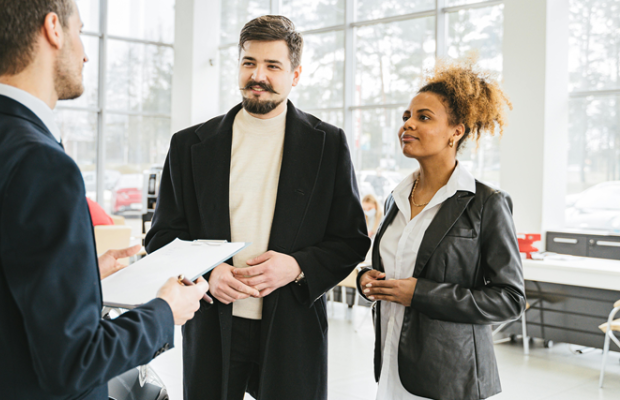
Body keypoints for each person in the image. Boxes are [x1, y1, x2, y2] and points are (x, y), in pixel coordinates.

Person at [0, 1, 208, 399]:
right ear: (54, 29)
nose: (85, 52)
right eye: (81, 31)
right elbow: (75, 362)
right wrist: (165, 311)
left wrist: (80, 277)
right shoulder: (43, 164)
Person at [145, 15, 370, 400]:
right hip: (213, 325)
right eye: (249, 62)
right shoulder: (188, 146)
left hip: (292, 330)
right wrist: (207, 272)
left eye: (272, 66)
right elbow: (162, 235)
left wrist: (297, 267)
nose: (258, 76)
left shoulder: (328, 144)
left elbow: (350, 239)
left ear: (295, 75)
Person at [356, 58, 525, 400]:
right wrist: (366, 279)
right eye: (406, 116)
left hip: (449, 377)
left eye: (424, 117)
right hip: (392, 365)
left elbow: (509, 299)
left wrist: (419, 294)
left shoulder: (485, 203)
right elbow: (394, 268)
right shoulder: (397, 197)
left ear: (456, 131)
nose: (408, 124)